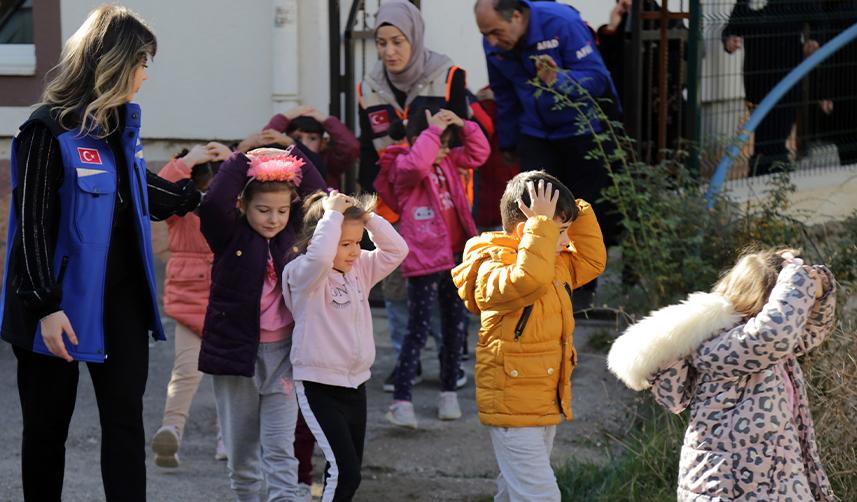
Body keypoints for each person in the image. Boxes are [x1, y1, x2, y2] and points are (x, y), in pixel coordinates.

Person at [0, 6, 202, 501]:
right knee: (47, 434)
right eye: (140, 62)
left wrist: (215, 191)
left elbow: (140, 191)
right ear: (111, 62)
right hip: (56, 310)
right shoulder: (48, 130)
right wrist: (46, 308)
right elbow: (29, 229)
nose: (145, 75)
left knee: (126, 428)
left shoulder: (121, 128)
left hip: (121, 306)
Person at [607, 249, 837, 501]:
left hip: (771, 478)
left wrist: (820, 286)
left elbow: (812, 328)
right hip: (728, 483)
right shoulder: (723, 344)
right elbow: (774, 333)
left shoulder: (771, 348)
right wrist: (796, 277)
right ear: (768, 299)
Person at [452, 172, 606, 501]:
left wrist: (574, 208)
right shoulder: (491, 264)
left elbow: (593, 261)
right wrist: (544, 227)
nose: (566, 242)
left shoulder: (553, 259)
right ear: (531, 229)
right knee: (540, 495)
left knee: (515, 492)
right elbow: (528, 280)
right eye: (560, 232)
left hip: (542, 399)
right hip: (512, 403)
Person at [197, 147, 326, 502]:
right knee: (242, 458)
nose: (273, 219)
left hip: (283, 356)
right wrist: (244, 159)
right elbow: (211, 204)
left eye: (283, 211)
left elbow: (322, 199)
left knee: (281, 451)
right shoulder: (229, 236)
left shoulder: (295, 237)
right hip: (236, 358)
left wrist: (294, 155)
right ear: (242, 206)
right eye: (263, 210)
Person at [474, 0, 620, 307]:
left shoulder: (561, 23)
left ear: (516, 16)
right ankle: (539, 281)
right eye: (485, 34)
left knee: (581, 208)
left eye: (496, 32)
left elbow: (598, 78)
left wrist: (560, 80)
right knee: (533, 207)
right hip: (535, 133)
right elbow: (504, 93)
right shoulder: (496, 38)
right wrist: (510, 142)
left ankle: (582, 288)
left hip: (582, 131)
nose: (491, 41)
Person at [358, 0, 470, 389]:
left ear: (415, 38)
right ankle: (408, 360)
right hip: (394, 202)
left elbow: (465, 142)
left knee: (443, 287)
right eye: (381, 42)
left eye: (398, 42)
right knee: (397, 286)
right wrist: (366, 208)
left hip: (442, 205)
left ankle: (449, 359)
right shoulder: (369, 85)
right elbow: (366, 148)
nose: (389, 52)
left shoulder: (449, 75)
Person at [282, 190, 407, 501]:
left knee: (348, 474)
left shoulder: (359, 269)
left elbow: (397, 250)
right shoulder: (303, 274)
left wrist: (368, 218)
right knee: (345, 472)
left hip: (356, 384)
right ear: (319, 238)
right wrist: (332, 215)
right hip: (318, 385)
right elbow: (322, 257)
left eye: (357, 242)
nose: (355, 251)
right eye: (345, 244)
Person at [376, 109, 490, 429]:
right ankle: (401, 401)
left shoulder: (449, 162)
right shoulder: (401, 164)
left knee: (456, 327)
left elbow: (479, 152)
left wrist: (461, 124)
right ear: (417, 139)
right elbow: (415, 164)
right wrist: (433, 132)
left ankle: (448, 392)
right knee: (418, 327)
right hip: (425, 259)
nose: (444, 150)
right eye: (439, 143)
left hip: (454, 256)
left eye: (447, 143)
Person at [150, 142, 232, 468]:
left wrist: (231, 161)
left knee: (202, 373)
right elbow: (162, 189)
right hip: (209, 295)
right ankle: (179, 430)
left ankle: (189, 429)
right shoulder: (182, 206)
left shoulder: (229, 204)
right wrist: (189, 160)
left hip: (215, 295)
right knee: (203, 372)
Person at [721, 0, 826, 175]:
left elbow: (821, 21)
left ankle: (769, 175)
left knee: (777, 134)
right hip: (757, 78)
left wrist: (814, 39)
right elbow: (733, 26)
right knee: (763, 135)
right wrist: (729, 40)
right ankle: (767, 176)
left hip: (788, 77)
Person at [263, 105, 360, 189]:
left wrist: (326, 120)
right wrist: (285, 117)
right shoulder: (283, 159)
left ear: (322, 143)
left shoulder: (329, 163)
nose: (304, 143)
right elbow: (265, 141)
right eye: (297, 138)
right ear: (286, 140)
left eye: (312, 138)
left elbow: (351, 146)